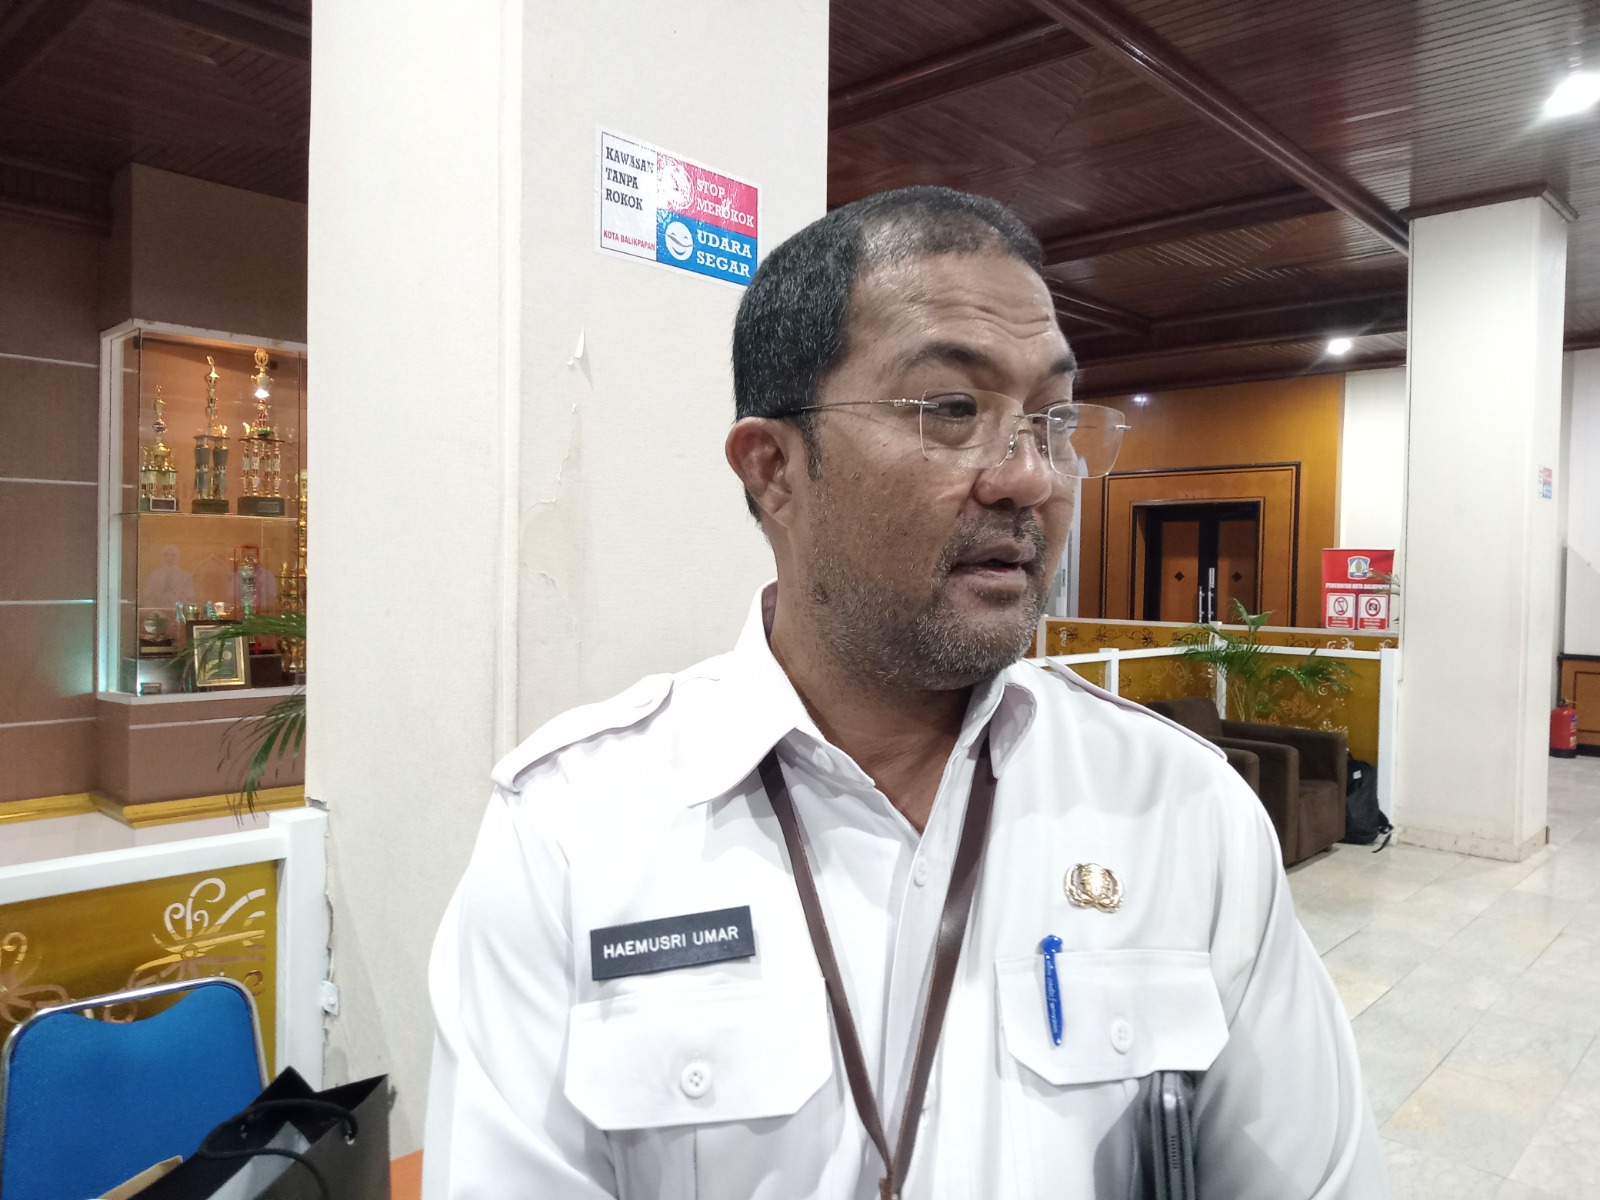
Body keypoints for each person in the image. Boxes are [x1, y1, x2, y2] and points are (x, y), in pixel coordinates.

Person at [423, 186, 1387, 1199]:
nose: (1031, 477)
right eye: (953, 410)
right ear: (773, 468)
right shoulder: (573, 832)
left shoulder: (1183, 810)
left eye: (1055, 421)